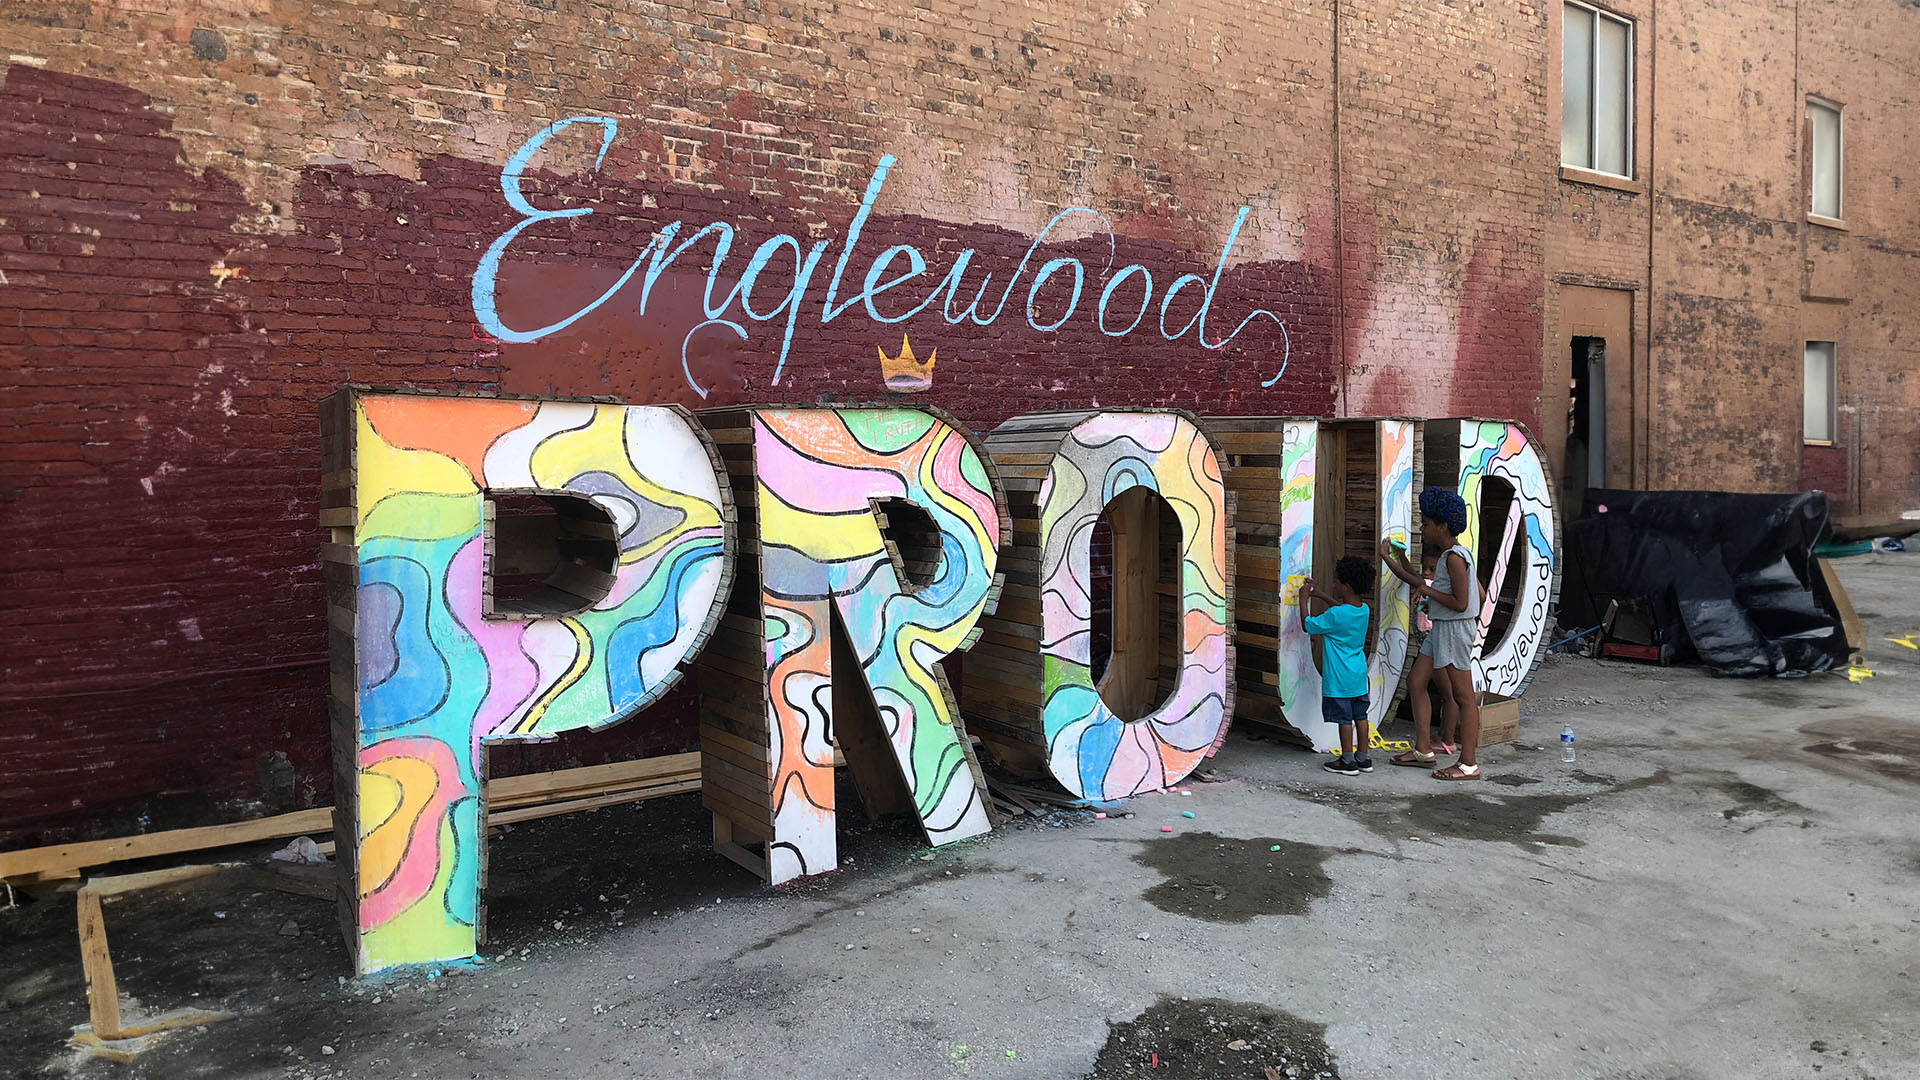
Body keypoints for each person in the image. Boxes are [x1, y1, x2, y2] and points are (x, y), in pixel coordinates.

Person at [1378, 487, 1484, 780]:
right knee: (1416, 681)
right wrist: (1429, 591)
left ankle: (1468, 764)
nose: (1422, 529)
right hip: (1441, 627)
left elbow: (1463, 603)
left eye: (1426, 523)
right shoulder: (1453, 555)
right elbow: (1471, 593)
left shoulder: (1453, 558)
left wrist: (1427, 591)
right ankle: (1423, 750)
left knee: (1463, 696)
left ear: (1443, 526)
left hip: (1454, 630)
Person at [1300, 555, 1376, 776]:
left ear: (1346, 586)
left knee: (1344, 720)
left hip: (1340, 678)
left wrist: (1303, 599)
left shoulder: (1335, 615)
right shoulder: (1363, 610)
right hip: (1359, 676)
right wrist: (1322, 595)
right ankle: (1363, 757)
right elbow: (1343, 612)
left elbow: (1308, 626)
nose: (1333, 585)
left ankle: (1347, 761)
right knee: (1361, 717)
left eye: (1335, 582)